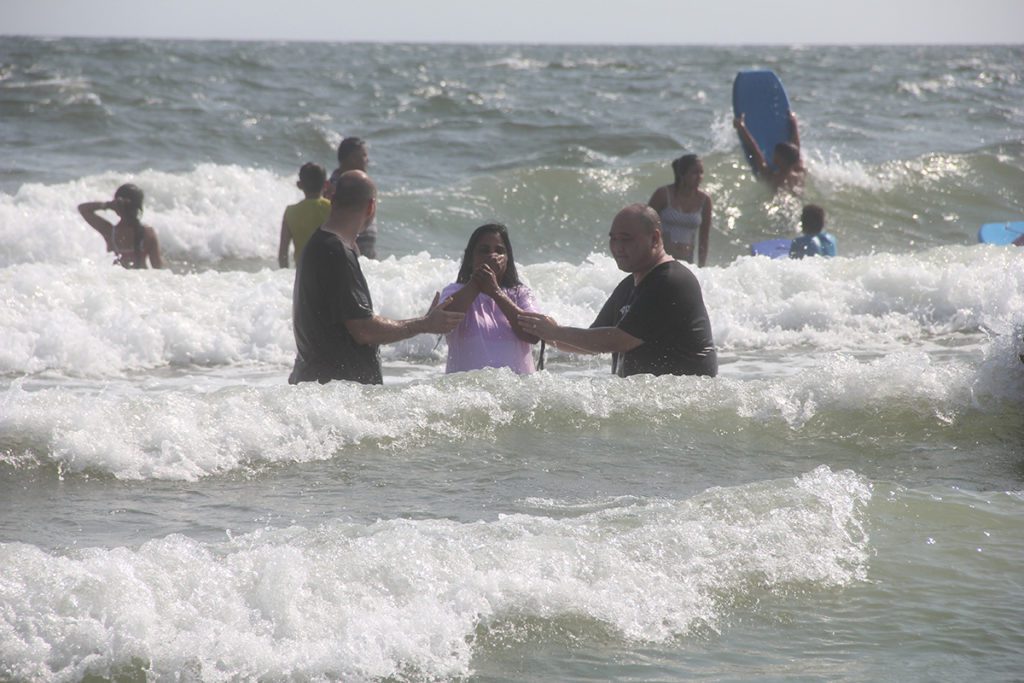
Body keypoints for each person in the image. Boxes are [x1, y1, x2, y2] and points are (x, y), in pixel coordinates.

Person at [288, 170, 463, 385]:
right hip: (339, 393)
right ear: (371, 206)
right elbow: (364, 330)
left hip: (322, 387)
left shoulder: (321, 244)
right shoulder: (336, 251)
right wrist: (424, 324)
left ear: (332, 199)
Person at [519, 204, 717, 378]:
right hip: (651, 403)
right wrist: (542, 332)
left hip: (684, 405)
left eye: (626, 239)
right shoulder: (628, 286)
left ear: (655, 238)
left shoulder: (670, 281)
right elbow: (591, 342)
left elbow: (620, 340)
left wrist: (555, 332)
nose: (618, 248)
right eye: (613, 239)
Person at [440, 223, 540, 374]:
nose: (492, 256)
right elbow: (441, 323)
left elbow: (533, 335)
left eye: (499, 251)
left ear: (508, 258)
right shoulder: (455, 291)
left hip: (517, 392)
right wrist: (478, 282)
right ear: (470, 258)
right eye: (484, 251)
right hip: (466, 394)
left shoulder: (521, 294)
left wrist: (495, 292)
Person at [646, 154, 712, 266]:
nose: (699, 177)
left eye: (701, 173)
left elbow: (704, 238)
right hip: (661, 259)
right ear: (682, 174)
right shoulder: (663, 194)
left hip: (687, 262)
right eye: (694, 173)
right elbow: (645, 226)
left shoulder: (705, 200)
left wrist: (701, 267)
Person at [77, 183, 163, 269]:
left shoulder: (110, 232)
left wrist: (107, 205)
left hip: (119, 281)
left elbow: (83, 209)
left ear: (116, 206)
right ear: (138, 207)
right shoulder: (148, 233)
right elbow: (158, 267)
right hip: (143, 280)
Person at [326, 137, 377, 259]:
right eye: (364, 155)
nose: (367, 160)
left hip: (366, 252)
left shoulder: (363, 182)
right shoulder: (335, 186)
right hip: (348, 249)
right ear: (352, 157)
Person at [733, 111, 804, 192]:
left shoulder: (772, 178)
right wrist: (794, 125)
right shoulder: (799, 174)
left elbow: (755, 151)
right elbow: (796, 149)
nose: (773, 156)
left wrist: (741, 127)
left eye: (776, 155)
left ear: (781, 161)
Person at [278, 162, 331, 268]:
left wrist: (285, 278)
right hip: (329, 268)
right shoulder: (332, 208)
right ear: (326, 185)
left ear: (299, 185)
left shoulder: (290, 212)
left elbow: (283, 253)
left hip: (303, 273)